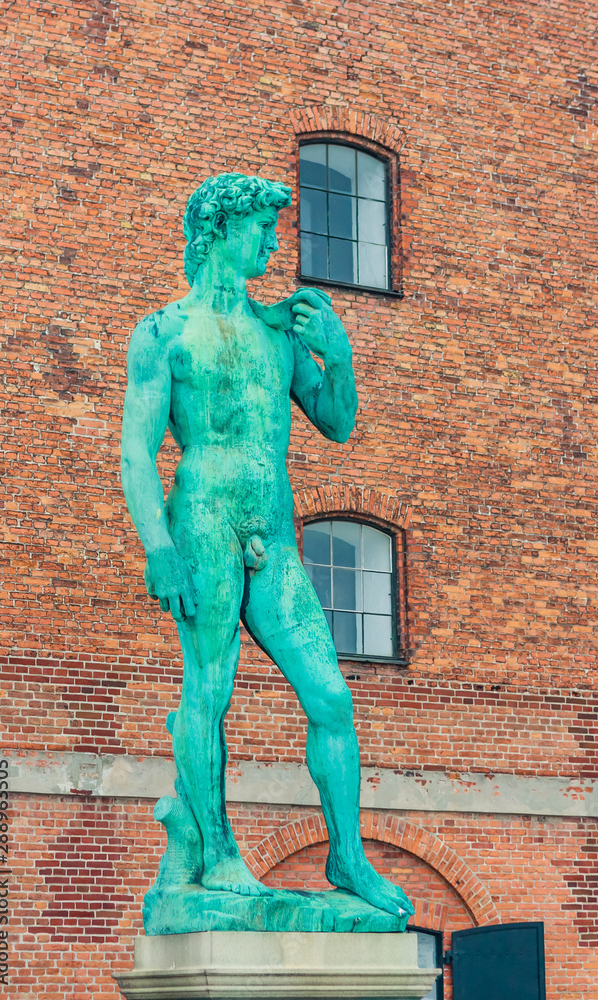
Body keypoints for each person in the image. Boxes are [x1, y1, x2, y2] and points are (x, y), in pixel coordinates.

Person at [121, 173, 413, 918]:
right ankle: (215, 854)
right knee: (209, 688)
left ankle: (347, 858)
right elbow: (135, 452)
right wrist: (157, 547)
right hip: (204, 523)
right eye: (261, 229)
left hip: (274, 534)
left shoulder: (276, 330)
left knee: (331, 696)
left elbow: (337, 423)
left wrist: (337, 356)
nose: (274, 243)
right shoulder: (163, 332)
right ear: (218, 232)